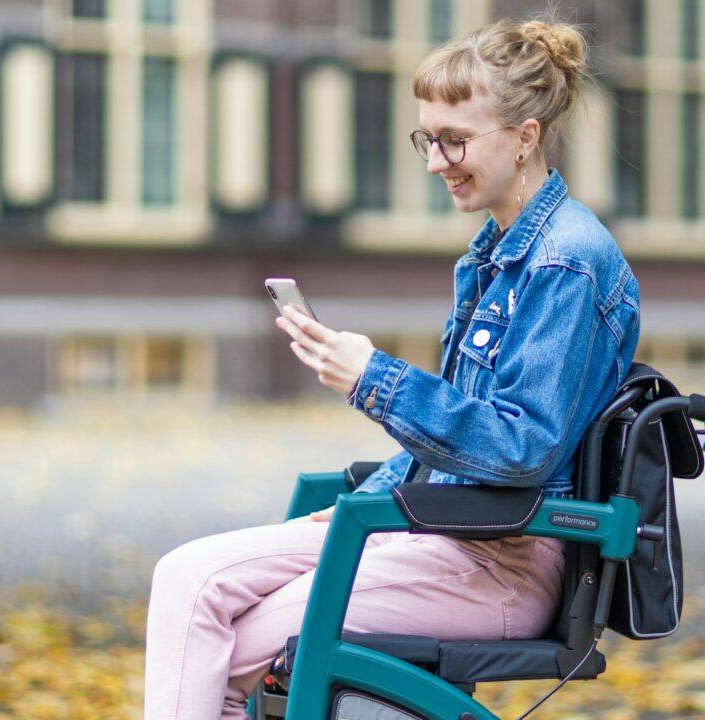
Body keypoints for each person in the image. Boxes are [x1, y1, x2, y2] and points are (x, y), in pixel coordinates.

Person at [144, 15, 641, 720]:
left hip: (500, 566)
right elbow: (454, 448)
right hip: (442, 540)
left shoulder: (567, 263)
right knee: (186, 578)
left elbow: (520, 447)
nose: (436, 161)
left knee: (230, 641)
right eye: (427, 139)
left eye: (454, 140)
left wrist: (372, 380)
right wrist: (359, 501)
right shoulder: (492, 256)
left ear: (526, 136)